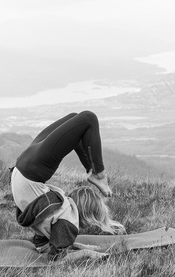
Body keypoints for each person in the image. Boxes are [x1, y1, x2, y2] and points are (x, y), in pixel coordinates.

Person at [10, 111, 125, 261]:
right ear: (89, 216)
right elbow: (57, 257)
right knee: (81, 118)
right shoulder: (67, 222)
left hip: (29, 168)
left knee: (84, 119)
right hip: (25, 171)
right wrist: (89, 253)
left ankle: (94, 171)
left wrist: (79, 246)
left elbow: (47, 251)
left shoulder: (61, 217)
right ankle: (97, 174)